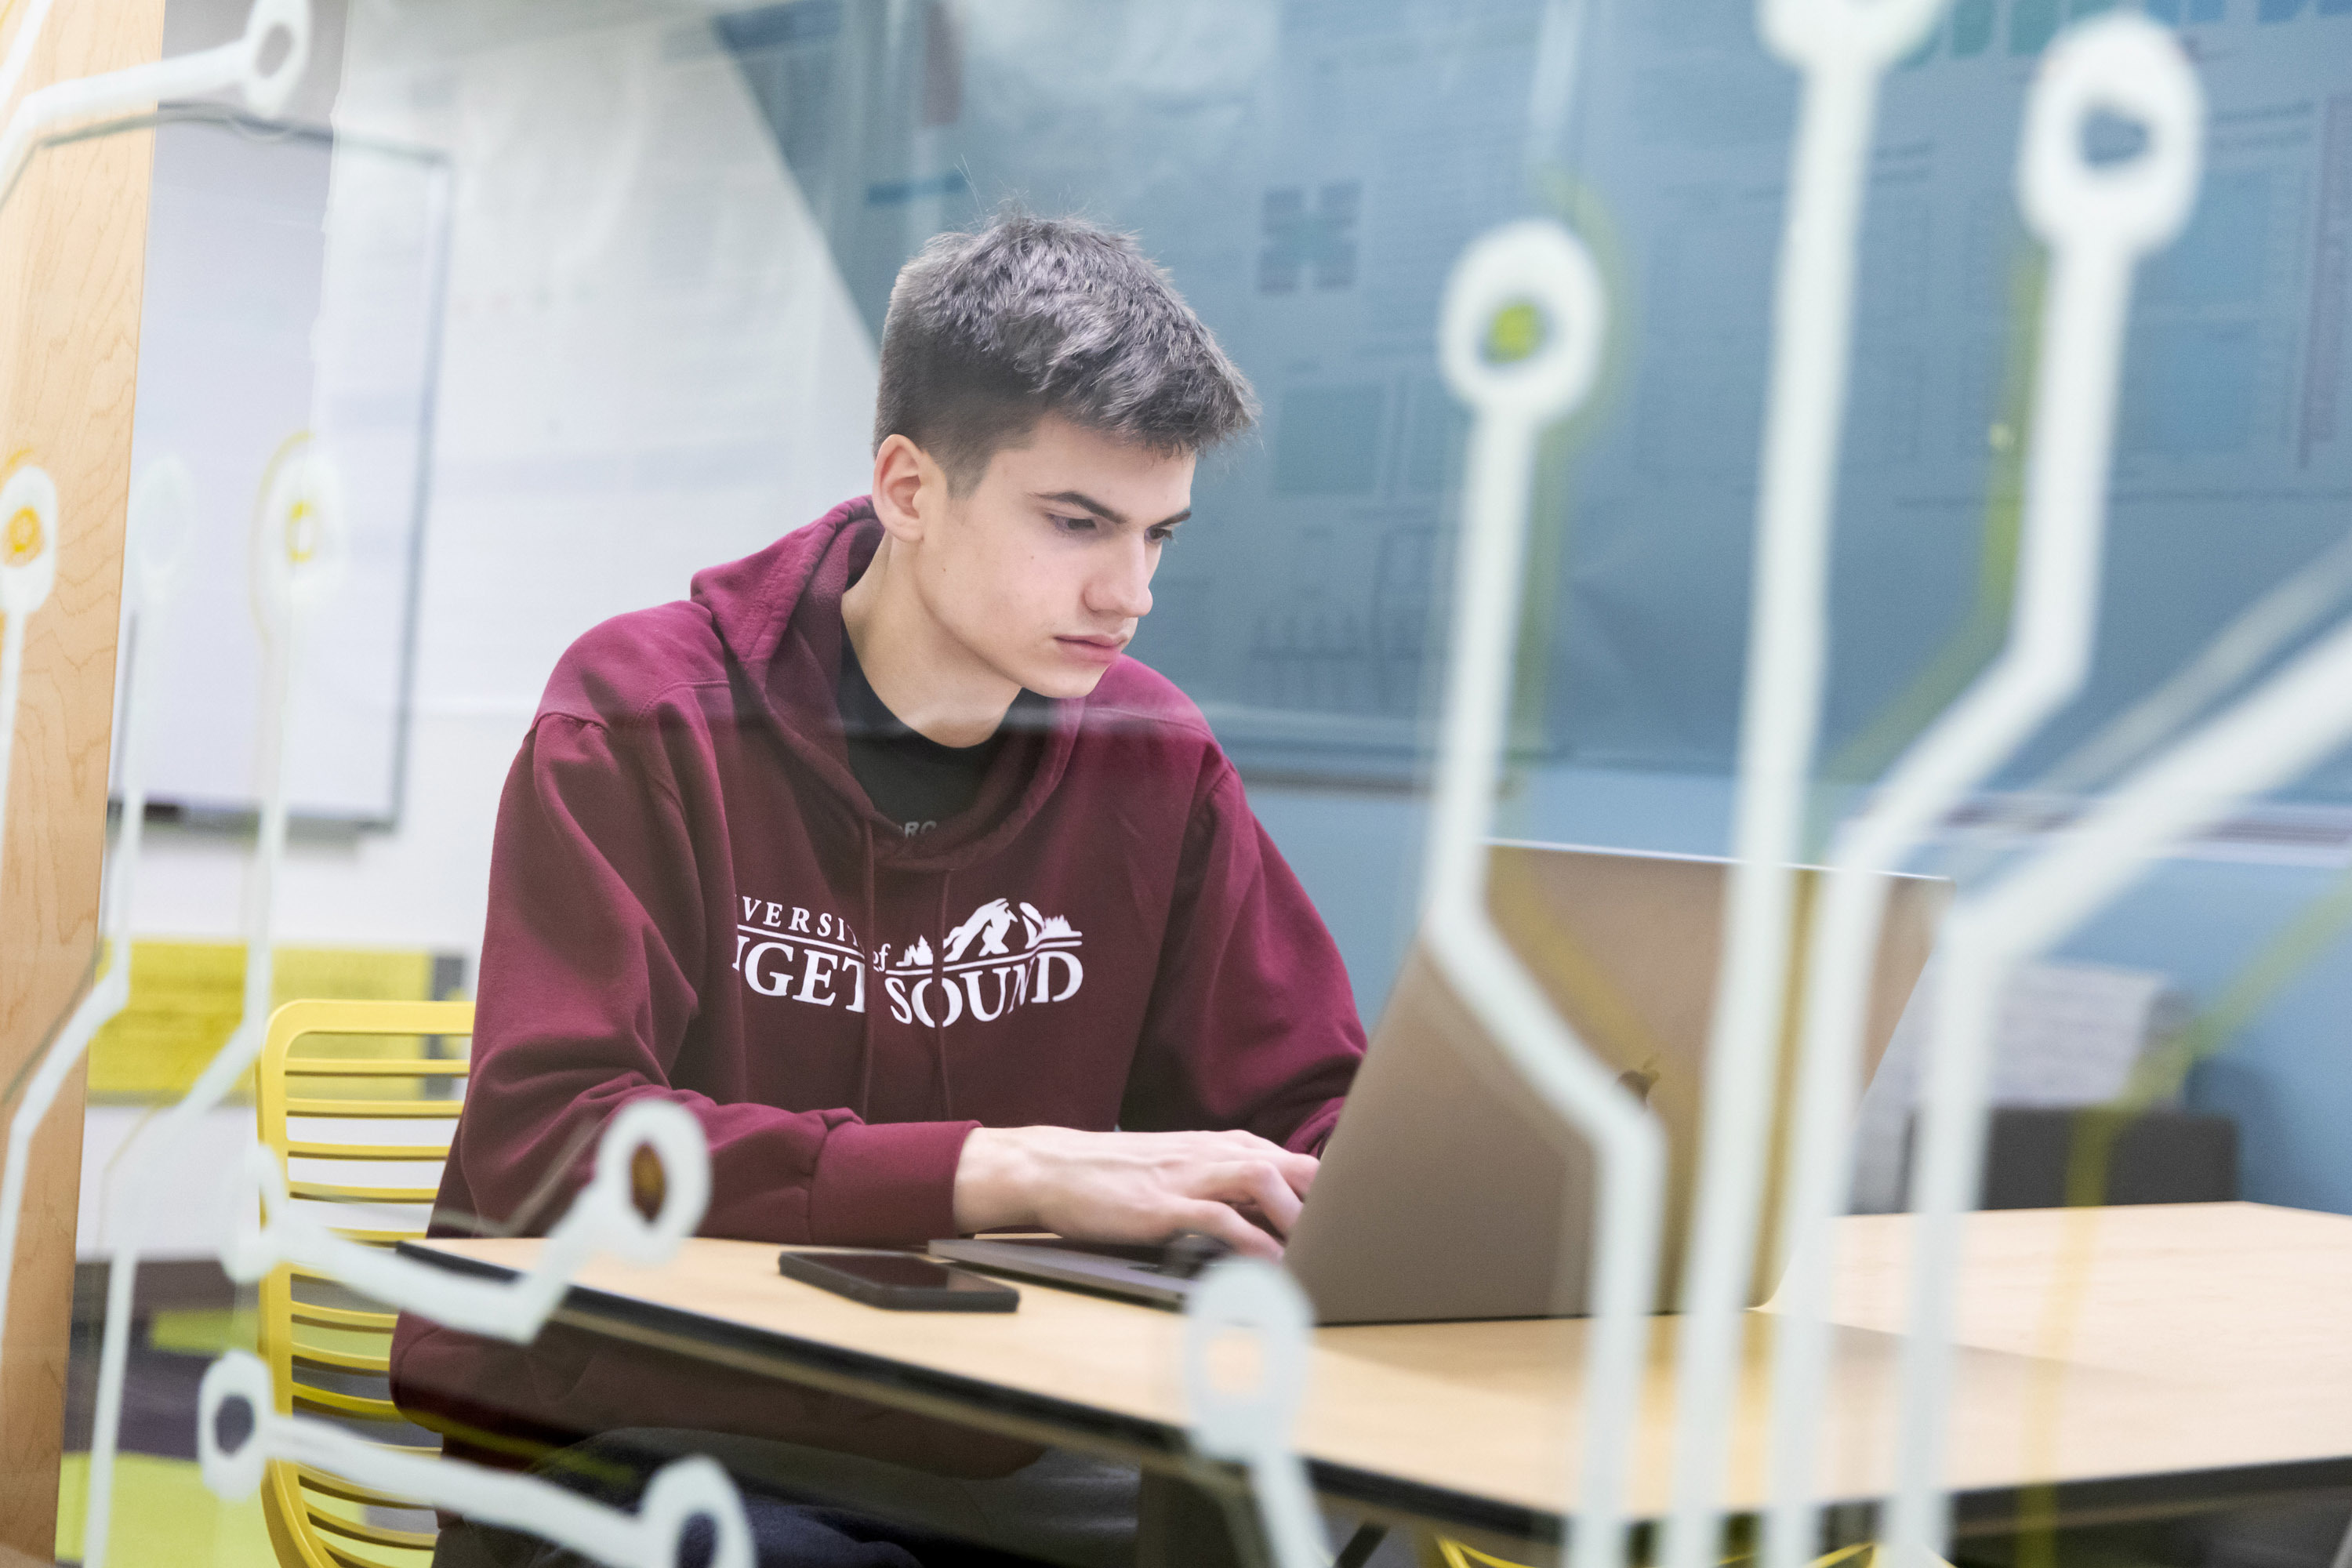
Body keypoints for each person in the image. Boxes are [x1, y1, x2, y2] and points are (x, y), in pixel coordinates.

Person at [395, 212, 1367, 1566]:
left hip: (1017, 1441)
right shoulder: (642, 715)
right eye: (1077, 522)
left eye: (1161, 535)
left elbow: (1302, 1112)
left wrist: (1413, 1190)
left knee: (1355, 1528)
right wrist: (1004, 1171)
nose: (1130, 591)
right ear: (909, 489)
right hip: (659, 1434)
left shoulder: (1158, 761)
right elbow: (553, 1145)